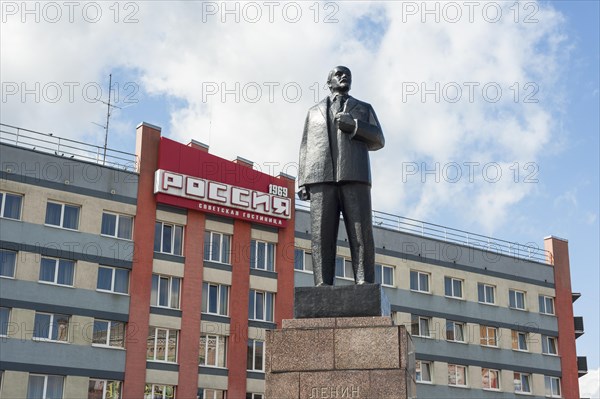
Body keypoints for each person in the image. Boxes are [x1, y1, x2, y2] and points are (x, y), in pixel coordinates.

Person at [298, 66, 385, 286]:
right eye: (338, 74)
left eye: (347, 74)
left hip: (354, 175)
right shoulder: (313, 111)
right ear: (329, 82)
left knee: (361, 234)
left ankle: (364, 283)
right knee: (320, 236)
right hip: (320, 177)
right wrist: (302, 181)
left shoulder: (363, 108)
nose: (344, 76)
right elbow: (306, 146)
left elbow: (378, 139)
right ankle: (322, 284)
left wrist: (355, 126)